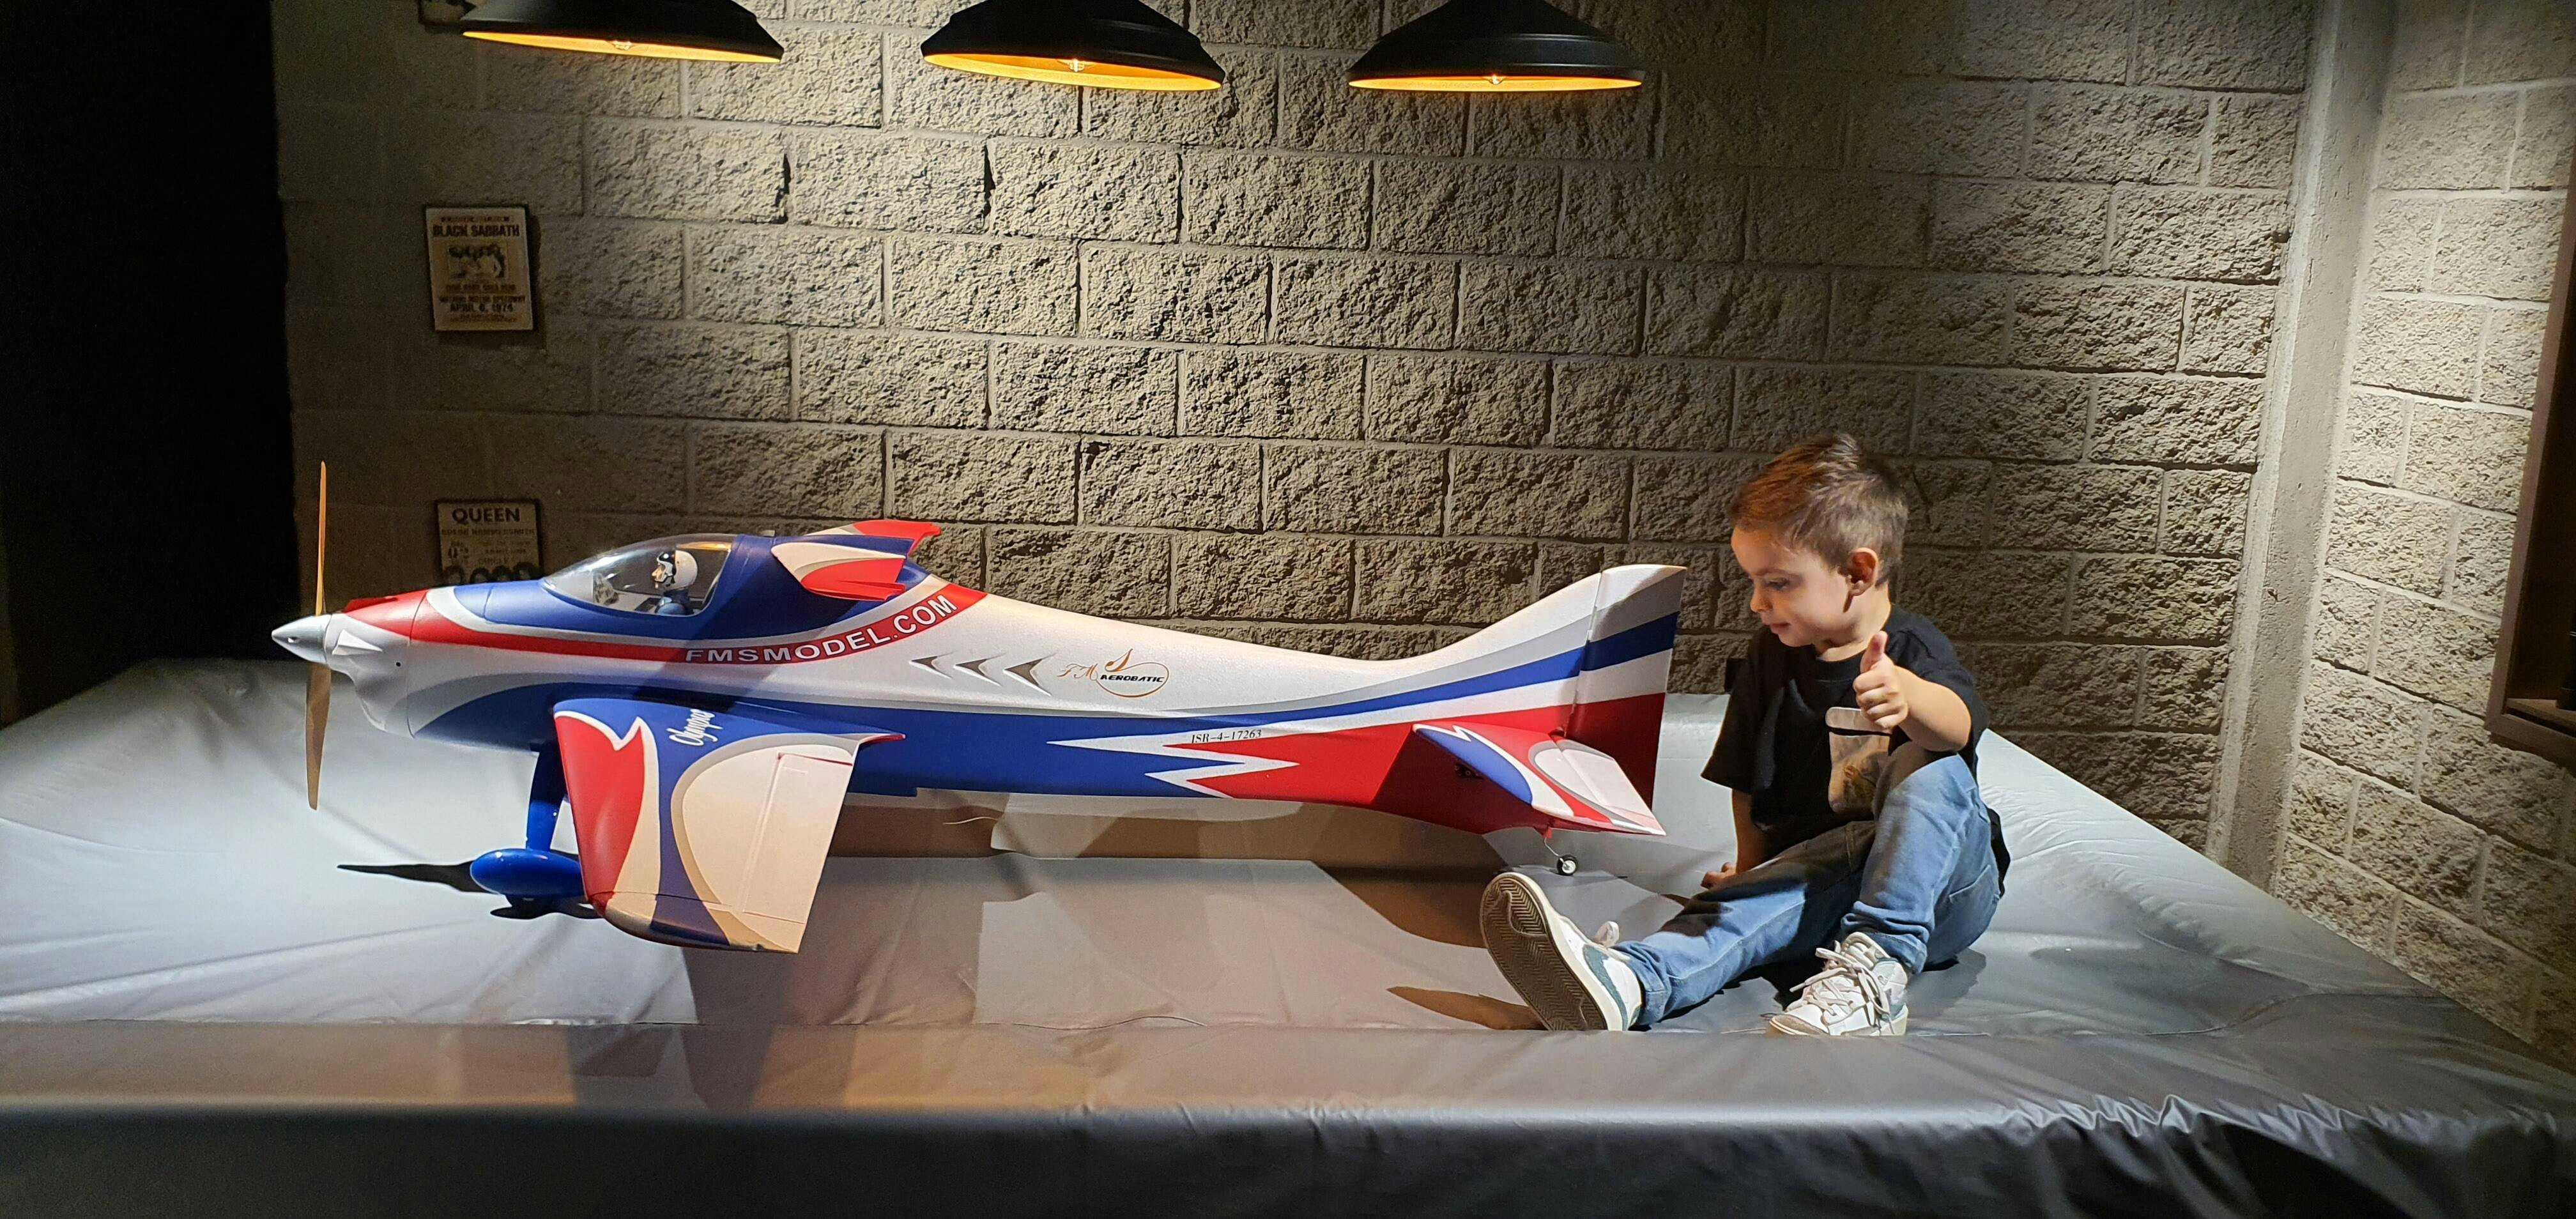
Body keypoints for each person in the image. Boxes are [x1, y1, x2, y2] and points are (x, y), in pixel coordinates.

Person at [1480, 434, 2006, 1036]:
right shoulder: (1771, 656)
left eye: (1778, 583)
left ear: (1858, 572)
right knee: (1739, 912)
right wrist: (1753, 870)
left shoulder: (1914, 651)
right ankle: (1633, 982)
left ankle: (1881, 967)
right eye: (1753, 581)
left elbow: (1956, 729)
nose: (1757, 602)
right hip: (1822, 890)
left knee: (1929, 760)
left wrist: (1910, 698)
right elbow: (1750, 779)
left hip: (1941, 897)